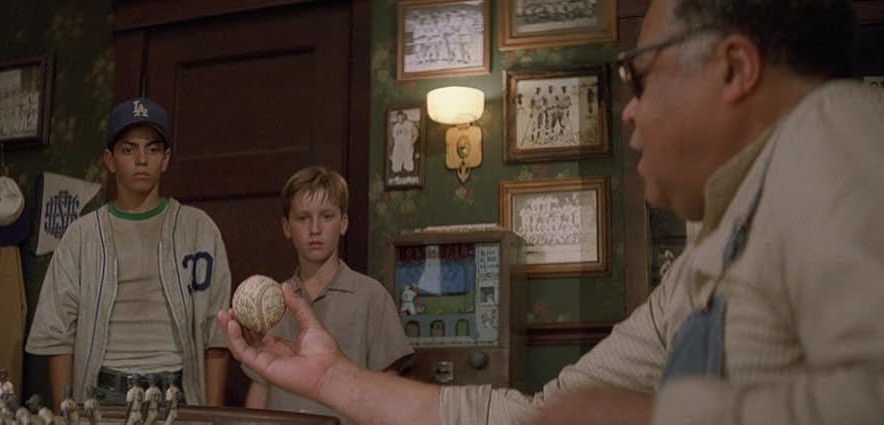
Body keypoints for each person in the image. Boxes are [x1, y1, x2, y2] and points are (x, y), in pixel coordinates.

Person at [218, 0, 884, 424]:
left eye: (639, 76)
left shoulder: (834, 130)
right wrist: (330, 376)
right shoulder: (702, 261)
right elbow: (539, 415)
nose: (629, 109)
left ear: (734, 69)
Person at [26, 97, 233, 408]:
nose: (141, 159)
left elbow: (217, 332)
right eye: (128, 149)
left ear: (165, 159)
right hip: (105, 395)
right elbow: (58, 336)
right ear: (109, 160)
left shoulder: (198, 229)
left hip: (177, 395)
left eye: (152, 149)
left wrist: (212, 417)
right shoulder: (82, 236)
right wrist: (65, 414)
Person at [241, 166, 413, 425]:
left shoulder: (371, 297)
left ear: (343, 223)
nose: (315, 228)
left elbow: (388, 390)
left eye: (326, 216)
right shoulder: (271, 301)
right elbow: (260, 386)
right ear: (287, 227)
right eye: (303, 218)